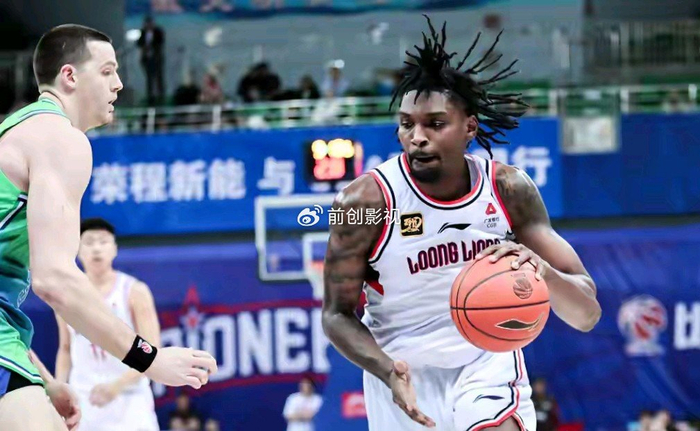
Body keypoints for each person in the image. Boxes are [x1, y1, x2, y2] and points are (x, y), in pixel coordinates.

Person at [322, 16, 601, 431]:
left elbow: (586, 314)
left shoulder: (508, 189)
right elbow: (336, 315)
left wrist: (542, 272)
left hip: (486, 361)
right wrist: (385, 369)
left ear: (470, 126)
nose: (417, 136)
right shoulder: (363, 202)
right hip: (401, 371)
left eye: (435, 124)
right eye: (406, 123)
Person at [0, 24, 217, 431]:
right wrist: (151, 360)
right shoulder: (59, 138)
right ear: (69, 76)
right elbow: (54, 279)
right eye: (107, 71)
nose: (118, 84)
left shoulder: (16, 130)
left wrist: (46, 380)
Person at [54, 218, 160, 431]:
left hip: (129, 398)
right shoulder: (66, 295)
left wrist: (116, 386)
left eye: (103, 242)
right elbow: (65, 348)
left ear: (114, 249)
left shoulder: (134, 291)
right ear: (77, 250)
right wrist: (59, 387)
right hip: (84, 400)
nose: (96, 248)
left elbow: (153, 351)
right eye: (89, 242)